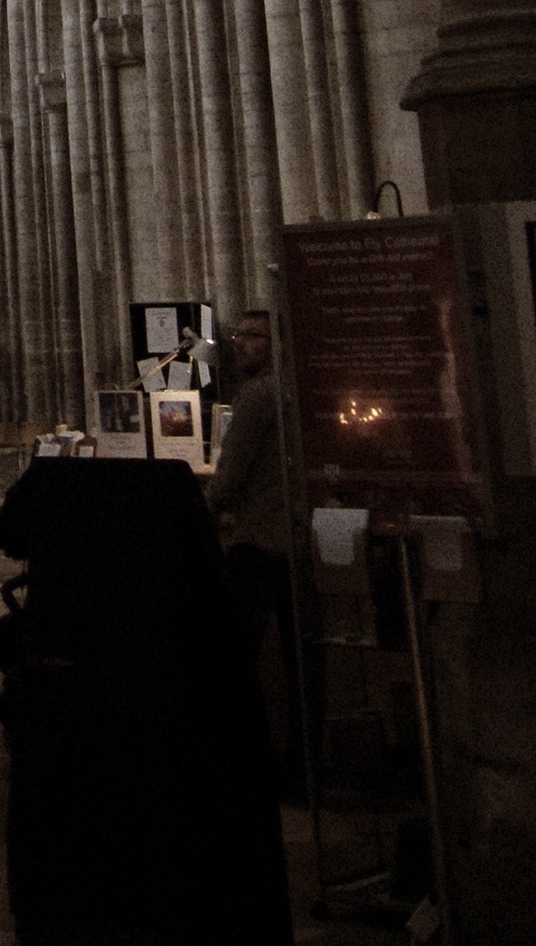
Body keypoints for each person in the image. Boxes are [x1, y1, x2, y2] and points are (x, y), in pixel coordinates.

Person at [205, 306, 302, 791]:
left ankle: (240, 760)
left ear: (276, 342)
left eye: (253, 336)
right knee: (297, 658)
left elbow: (227, 481)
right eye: (238, 336)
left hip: (260, 540)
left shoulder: (260, 395)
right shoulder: (295, 388)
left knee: (235, 656)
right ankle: (299, 764)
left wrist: (201, 512)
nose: (240, 344)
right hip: (297, 539)